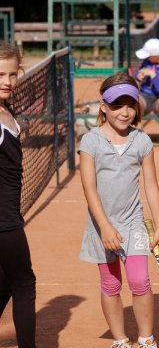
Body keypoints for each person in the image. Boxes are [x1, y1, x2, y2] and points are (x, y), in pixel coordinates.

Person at [78, 72, 159, 348]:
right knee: (111, 285)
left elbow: (151, 185)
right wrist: (104, 226)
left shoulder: (141, 141)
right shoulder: (90, 141)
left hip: (133, 223)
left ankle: (147, 338)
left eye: (130, 105)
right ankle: (120, 340)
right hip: (101, 225)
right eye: (117, 105)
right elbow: (89, 189)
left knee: (140, 282)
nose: (125, 112)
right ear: (103, 106)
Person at [0, 42, 37, 348]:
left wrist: (17, 126)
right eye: (0, 74)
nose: (7, 81)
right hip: (4, 221)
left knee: (4, 285)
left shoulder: (5, 111)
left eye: (12, 74)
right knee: (25, 284)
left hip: (7, 216)